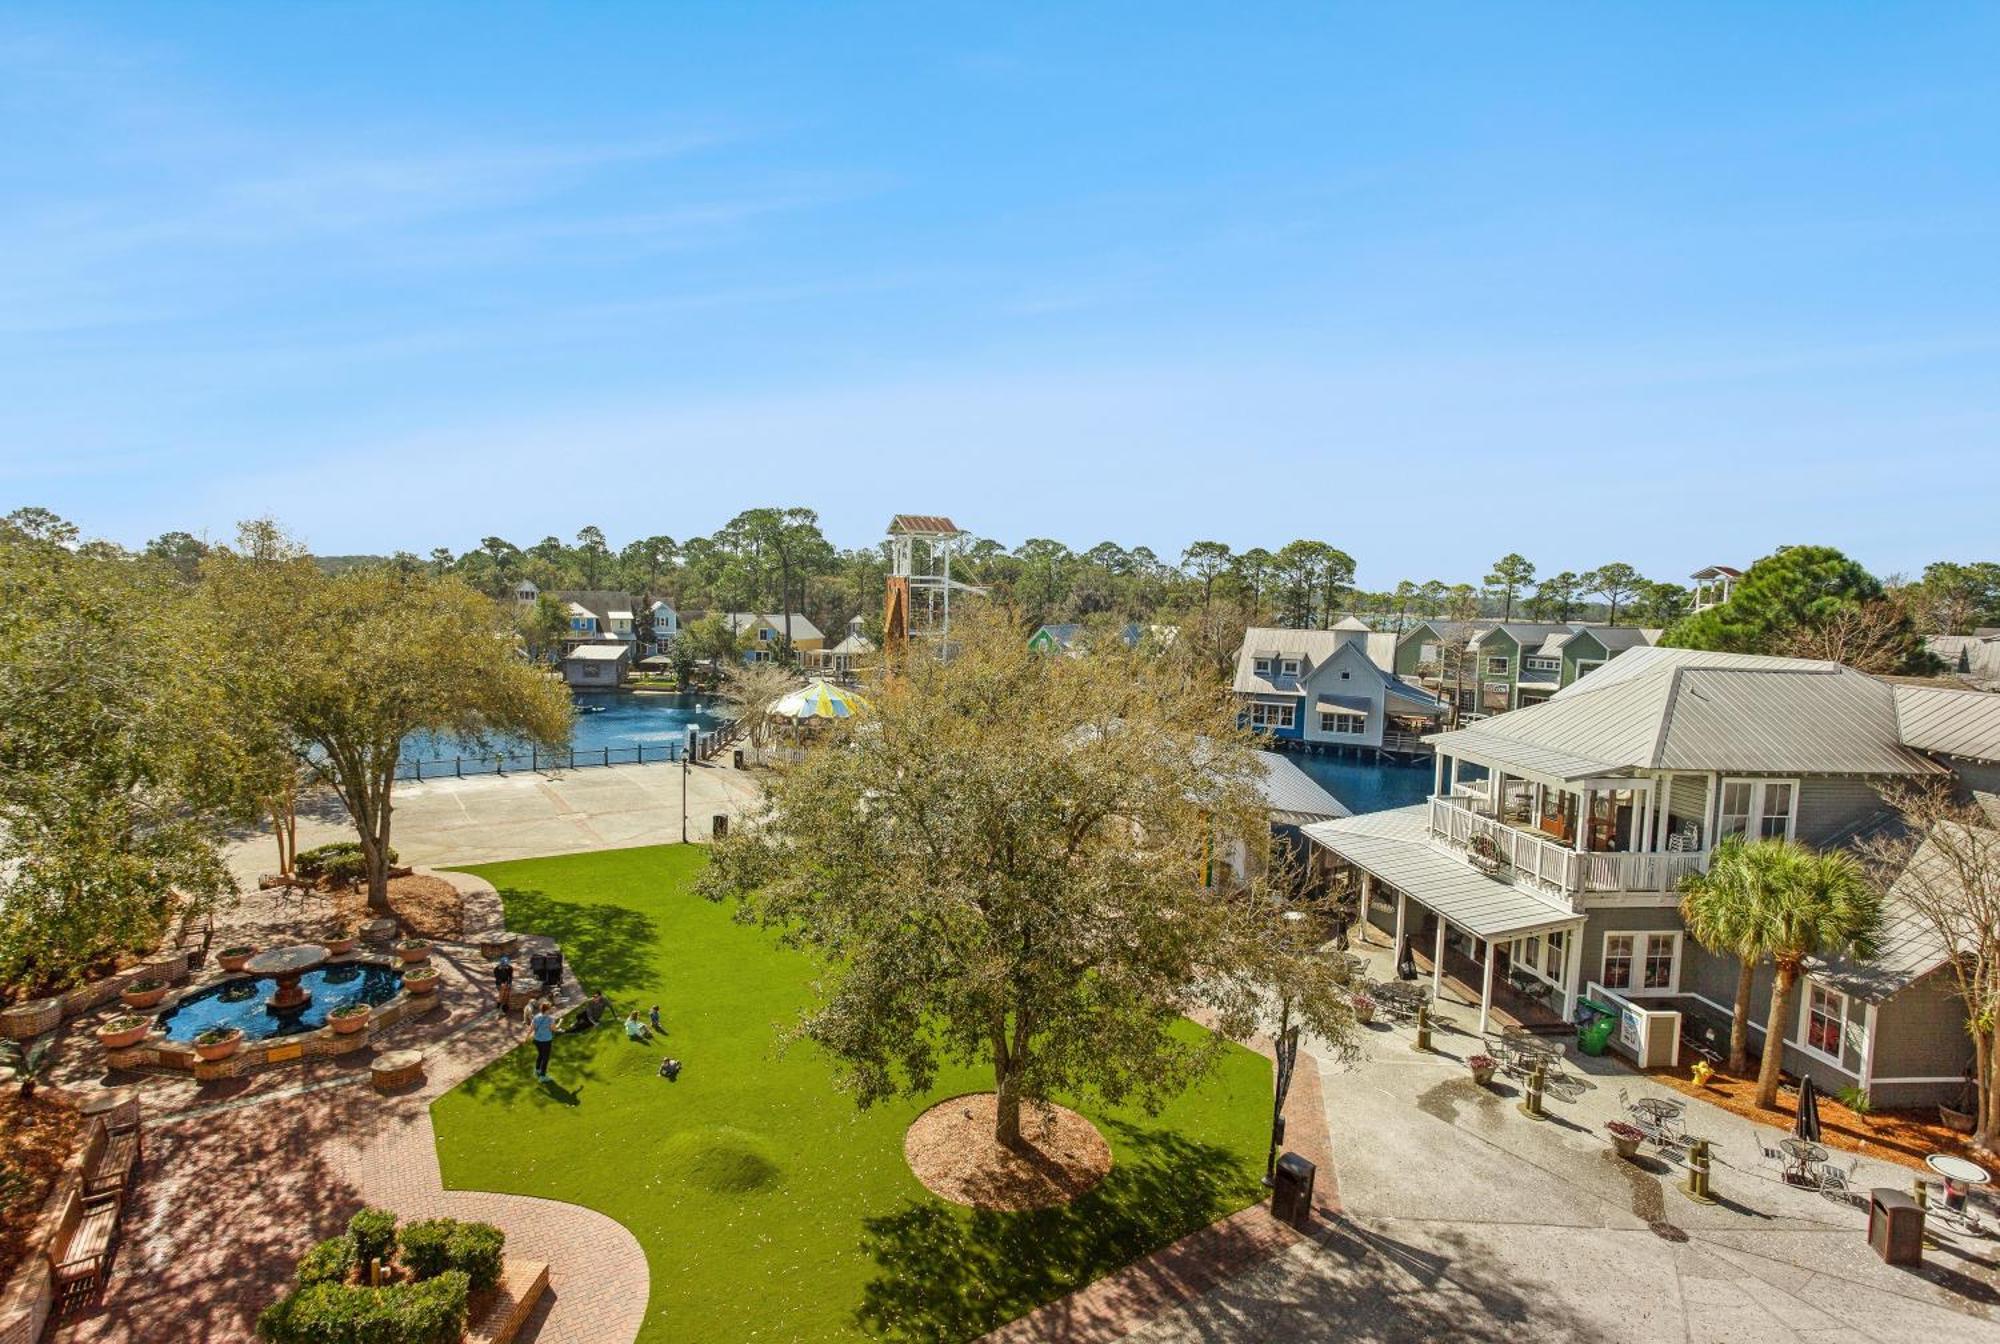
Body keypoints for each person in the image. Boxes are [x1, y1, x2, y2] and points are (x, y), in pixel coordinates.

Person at [530, 999, 556, 1080]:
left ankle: (537, 1070)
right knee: (545, 1058)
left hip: (537, 1040)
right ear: (547, 1010)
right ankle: (543, 1076)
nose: (551, 1009)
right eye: (550, 1008)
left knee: (540, 1055)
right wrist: (557, 1026)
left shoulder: (536, 1016)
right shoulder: (550, 1019)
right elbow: (553, 1029)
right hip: (546, 1041)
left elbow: (532, 1028)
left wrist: (527, 1037)